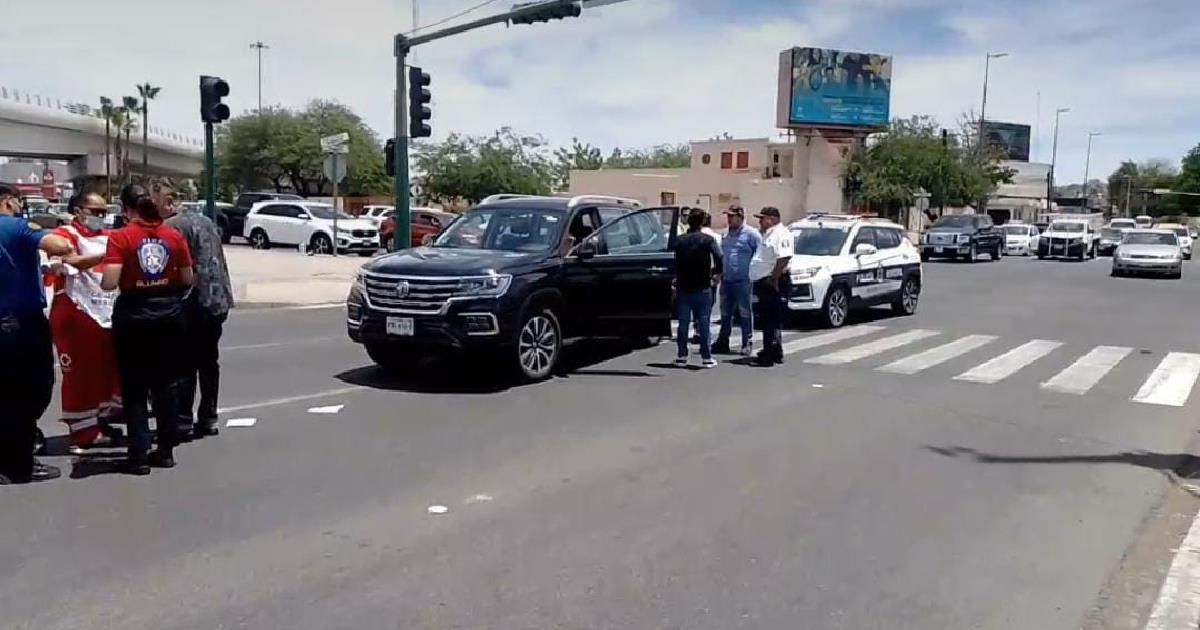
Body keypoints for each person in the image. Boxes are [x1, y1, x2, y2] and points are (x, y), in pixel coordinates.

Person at [101, 184, 194, 475]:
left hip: (135, 315)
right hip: (169, 314)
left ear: (127, 210)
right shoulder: (173, 236)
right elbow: (188, 278)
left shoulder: (121, 237)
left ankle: (138, 455)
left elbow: (109, 281)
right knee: (166, 385)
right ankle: (165, 450)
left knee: (135, 388)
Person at [0, 184, 75, 483]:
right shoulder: (16, 226)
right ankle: (18, 465)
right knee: (31, 390)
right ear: (6, 201)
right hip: (19, 320)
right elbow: (59, 245)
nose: (20, 206)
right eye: (17, 201)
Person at [48, 191, 123, 451]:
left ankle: (98, 422)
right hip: (76, 313)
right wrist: (105, 257)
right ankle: (81, 432)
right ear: (79, 211)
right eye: (96, 212)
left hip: (107, 314)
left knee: (106, 373)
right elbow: (63, 264)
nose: (101, 217)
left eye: (105, 212)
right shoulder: (65, 236)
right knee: (80, 374)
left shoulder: (111, 236)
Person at [162, 181, 234, 439]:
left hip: (192, 302)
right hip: (218, 300)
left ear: (170, 202)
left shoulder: (172, 227)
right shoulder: (205, 221)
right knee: (208, 361)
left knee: (185, 363)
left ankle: (183, 418)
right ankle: (209, 416)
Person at [673, 209, 723, 368]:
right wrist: (716, 274)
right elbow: (719, 257)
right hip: (702, 286)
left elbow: (674, 261)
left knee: (683, 323)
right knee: (704, 322)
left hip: (683, 286)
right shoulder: (707, 240)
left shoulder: (680, 240)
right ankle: (706, 356)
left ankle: (682, 355)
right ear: (702, 222)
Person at [711, 204, 761, 357]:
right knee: (725, 312)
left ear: (740, 217)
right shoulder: (726, 235)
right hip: (727, 279)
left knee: (745, 312)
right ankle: (723, 340)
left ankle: (747, 342)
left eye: (732, 216)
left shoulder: (751, 234)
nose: (729, 219)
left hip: (743, 280)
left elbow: (759, 255)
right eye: (728, 216)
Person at [749, 207, 794, 366]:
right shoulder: (768, 234)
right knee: (770, 319)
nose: (760, 221)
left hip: (773, 281)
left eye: (763, 218)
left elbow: (784, 257)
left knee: (770, 319)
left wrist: (774, 277)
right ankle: (774, 350)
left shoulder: (781, 234)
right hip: (765, 280)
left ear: (772, 219)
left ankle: (768, 355)